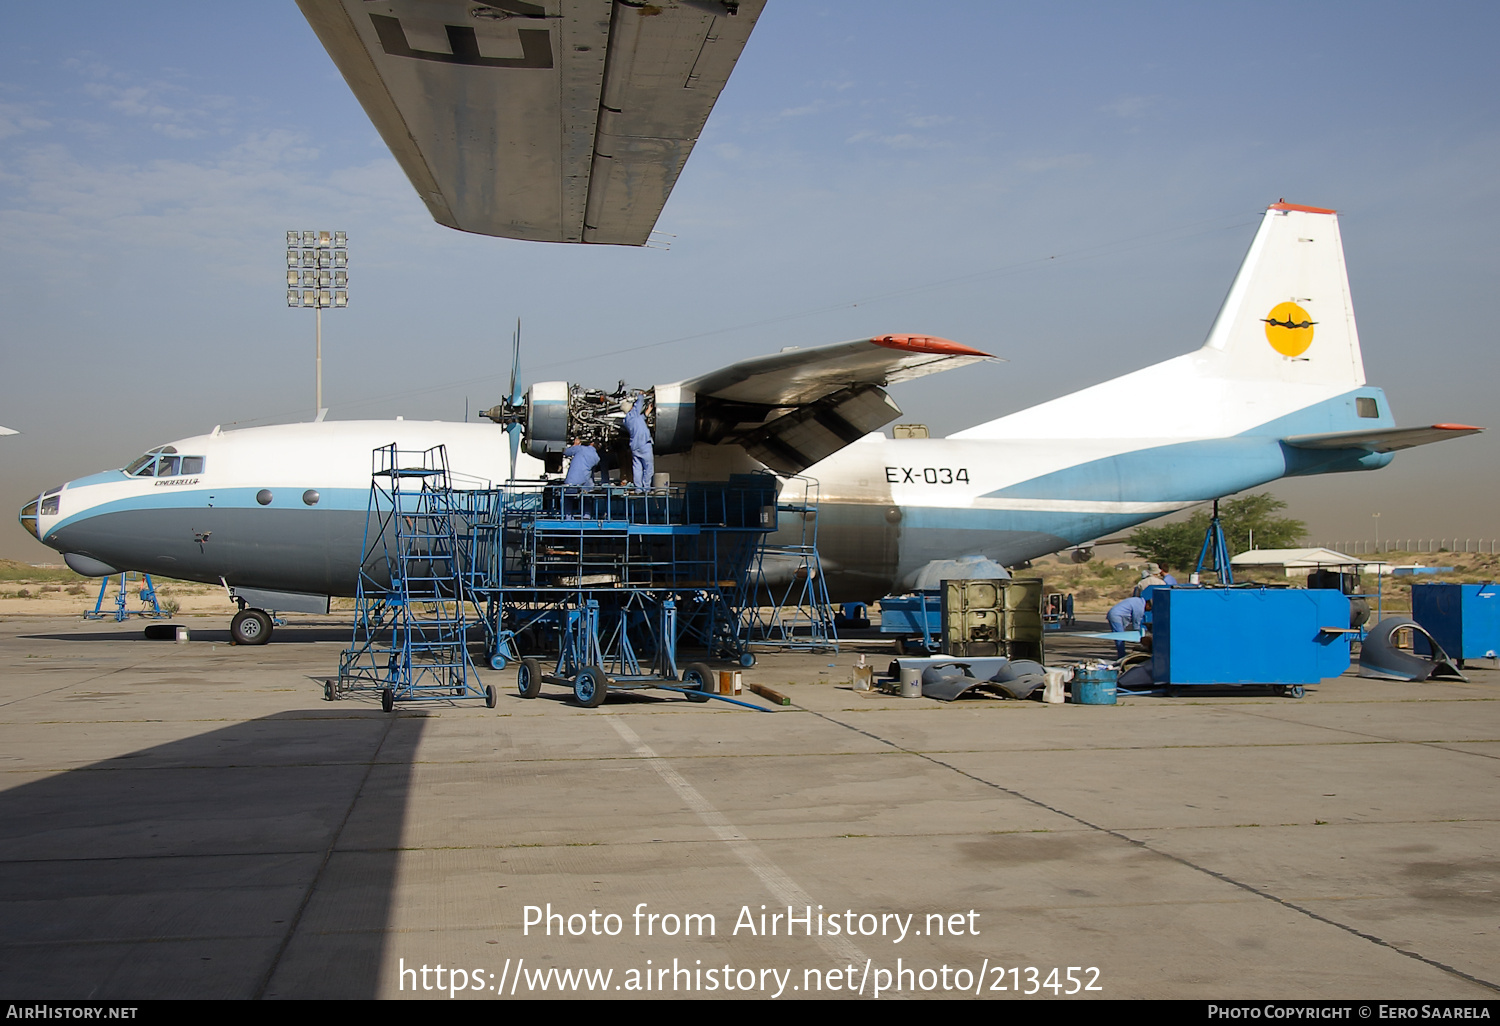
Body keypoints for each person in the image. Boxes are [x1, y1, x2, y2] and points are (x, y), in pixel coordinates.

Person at [621, 394, 653, 490]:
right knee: (648, 468)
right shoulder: (633, 413)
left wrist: (646, 413)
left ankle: (638, 489)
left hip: (635, 447)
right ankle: (646, 488)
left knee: (637, 468)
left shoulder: (627, 420)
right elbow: (639, 403)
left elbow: (639, 420)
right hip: (644, 444)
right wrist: (640, 395)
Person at [561, 438, 600, 516]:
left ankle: (567, 518)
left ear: (591, 444)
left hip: (573, 479)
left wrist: (575, 445)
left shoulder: (581, 449)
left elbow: (566, 452)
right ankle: (586, 516)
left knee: (568, 499)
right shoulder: (597, 458)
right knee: (587, 497)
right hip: (585, 481)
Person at [1106, 595, 1147, 659]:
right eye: (1150, 609)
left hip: (1116, 614)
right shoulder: (1140, 607)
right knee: (1120, 636)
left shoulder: (1138, 601)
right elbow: (1136, 623)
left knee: (1120, 636)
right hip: (1116, 616)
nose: (1148, 611)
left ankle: (1121, 654)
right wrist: (1140, 637)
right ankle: (1121, 656)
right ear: (1148, 605)